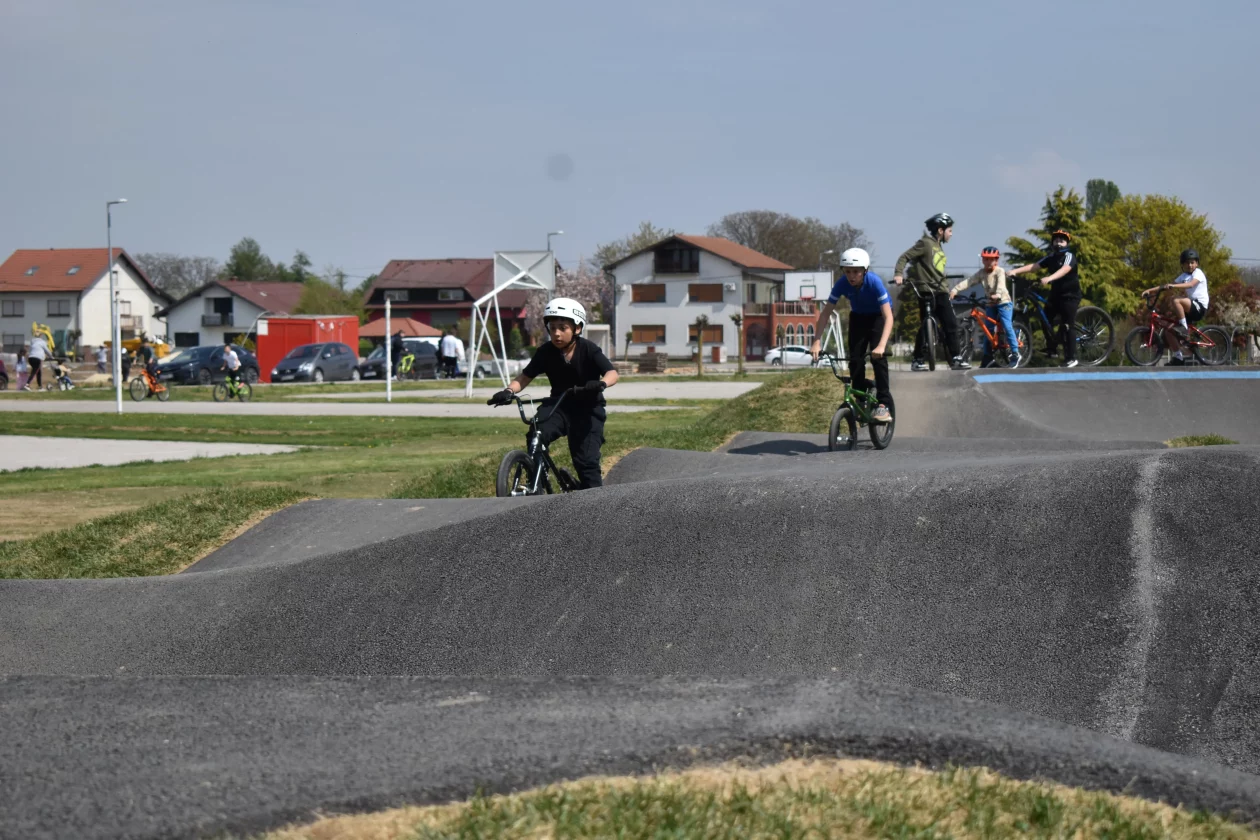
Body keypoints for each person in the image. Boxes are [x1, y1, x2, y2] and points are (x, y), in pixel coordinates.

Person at [488, 297, 618, 489]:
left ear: (577, 328)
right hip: (558, 405)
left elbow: (612, 373)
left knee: (586, 462)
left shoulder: (589, 349)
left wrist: (600, 384)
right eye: (552, 327)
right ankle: (537, 480)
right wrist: (508, 391)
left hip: (588, 408)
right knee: (536, 433)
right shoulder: (545, 352)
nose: (556, 333)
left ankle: (593, 498)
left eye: (563, 328)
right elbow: (524, 377)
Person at [809, 248, 894, 423]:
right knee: (855, 359)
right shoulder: (841, 284)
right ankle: (860, 399)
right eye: (847, 271)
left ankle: (884, 405)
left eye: (856, 271)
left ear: (865, 271)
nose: (851, 276)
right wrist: (816, 342)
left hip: (879, 316)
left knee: (878, 359)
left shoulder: (874, 282)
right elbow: (825, 314)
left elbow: (888, 317)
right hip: (858, 317)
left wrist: (881, 346)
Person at [893, 212, 969, 371]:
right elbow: (904, 257)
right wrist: (899, 274)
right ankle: (917, 359)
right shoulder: (926, 243)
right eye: (950, 230)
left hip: (941, 290)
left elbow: (934, 267)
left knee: (951, 324)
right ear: (940, 230)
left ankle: (956, 357)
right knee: (924, 325)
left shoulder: (938, 246)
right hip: (926, 290)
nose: (951, 234)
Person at [1008, 229, 1081, 368]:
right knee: (1045, 318)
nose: (1058, 242)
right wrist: (1015, 271)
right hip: (1056, 295)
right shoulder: (1051, 257)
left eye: (1062, 240)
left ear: (1067, 243)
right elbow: (1034, 266)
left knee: (1068, 325)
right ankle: (1052, 348)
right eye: (1056, 240)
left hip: (1070, 296)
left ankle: (1072, 357)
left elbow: (1065, 269)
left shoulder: (1069, 256)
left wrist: (1050, 278)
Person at [951, 247, 1019, 368]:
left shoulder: (999, 271)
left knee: (1006, 325)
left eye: (991, 260)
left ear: (996, 261)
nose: (988, 262)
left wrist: (997, 294)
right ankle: (988, 357)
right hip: (991, 304)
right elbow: (969, 281)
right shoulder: (981, 273)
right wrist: (955, 290)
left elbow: (1001, 285)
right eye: (985, 259)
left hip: (1003, 302)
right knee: (988, 330)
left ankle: (1015, 354)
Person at [1143, 249, 1209, 366]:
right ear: (1183, 265)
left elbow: (1190, 284)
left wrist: (1173, 286)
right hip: (1190, 308)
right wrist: (1149, 290)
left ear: (1197, 263)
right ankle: (1178, 357)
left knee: (1176, 299)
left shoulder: (1198, 273)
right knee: (1169, 330)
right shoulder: (1183, 276)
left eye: (1192, 262)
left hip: (1199, 306)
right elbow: (1165, 286)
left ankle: (1184, 328)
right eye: (1187, 263)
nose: (1190, 265)